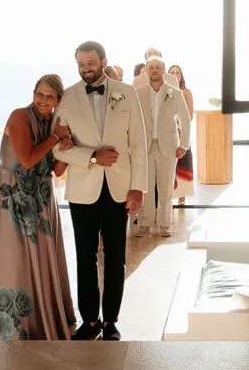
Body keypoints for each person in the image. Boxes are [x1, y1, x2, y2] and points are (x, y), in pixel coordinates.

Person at [0, 74, 76, 340]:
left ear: (58, 100)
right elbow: (26, 159)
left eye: (50, 96)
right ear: (33, 92)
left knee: (41, 264)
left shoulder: (56, 124)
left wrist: (68, 147)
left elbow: (57, 170)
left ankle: (42, 324)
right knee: (12, 262)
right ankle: (10, 329)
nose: (43, 100)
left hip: (43, 200)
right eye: (40, 94)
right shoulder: (19, 116)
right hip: (12, 199)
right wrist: (56, 139)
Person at [53, 40, 147, 341]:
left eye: (91, 63)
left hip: (120, 189)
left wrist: (138, 188)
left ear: (104, 61)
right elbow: (57, 147)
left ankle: (111, 322)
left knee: (116, 257)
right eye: (80, 64)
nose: (86, 69)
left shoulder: (127, 93)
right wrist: (92, 157)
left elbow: (138, 145)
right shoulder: (67, 98)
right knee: (85, 256)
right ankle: (90, 321)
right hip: (83, 189)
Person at [134, 56, 191, 237]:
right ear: (147, 70)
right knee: (146, 186)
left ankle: (165, 224)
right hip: (145, 146)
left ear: (164, 70)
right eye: (152, 67)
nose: (155, 70)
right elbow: (133, 120)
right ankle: (144, 223)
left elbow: (185, 119)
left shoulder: (175, 92)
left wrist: (184, 145)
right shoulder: (139, 92)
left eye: (159, 67)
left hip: (169, 147)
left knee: (166, 188)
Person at [168, 64, 195, 205]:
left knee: (184, 161)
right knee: (170, 163)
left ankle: (182, 196)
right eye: (172, 72)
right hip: (168, 132)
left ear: (181, 75)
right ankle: (169, 194)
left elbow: (190, 115)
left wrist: (179, 123)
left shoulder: (186, 92)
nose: (175, 74)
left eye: (177, 72)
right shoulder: (165, 91)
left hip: (182, 130)